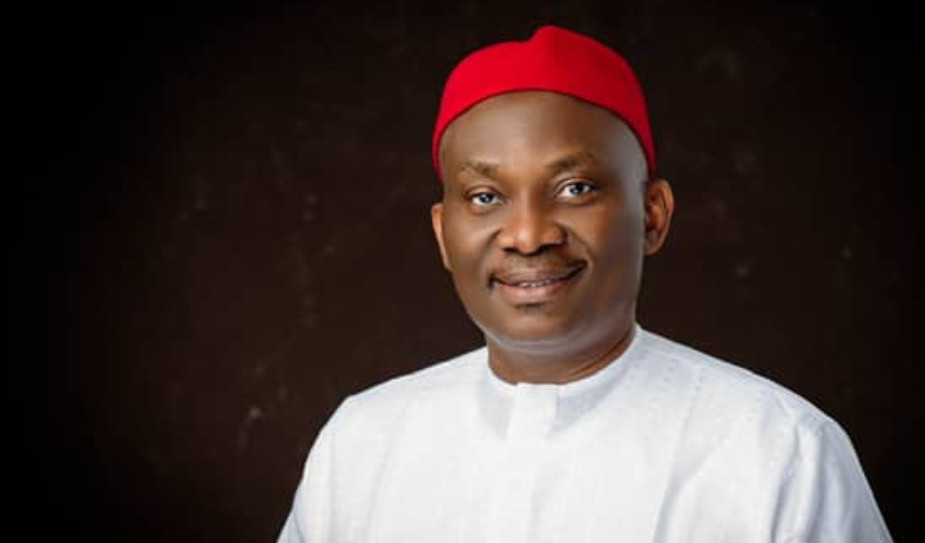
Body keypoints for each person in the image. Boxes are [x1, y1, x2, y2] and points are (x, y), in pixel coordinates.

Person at [278, 25, 892, 542]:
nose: (527, 235)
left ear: (652, 215)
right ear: (443, 233)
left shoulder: (781, 454)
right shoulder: (361, 444)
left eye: (575, 189)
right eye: (485, 196)